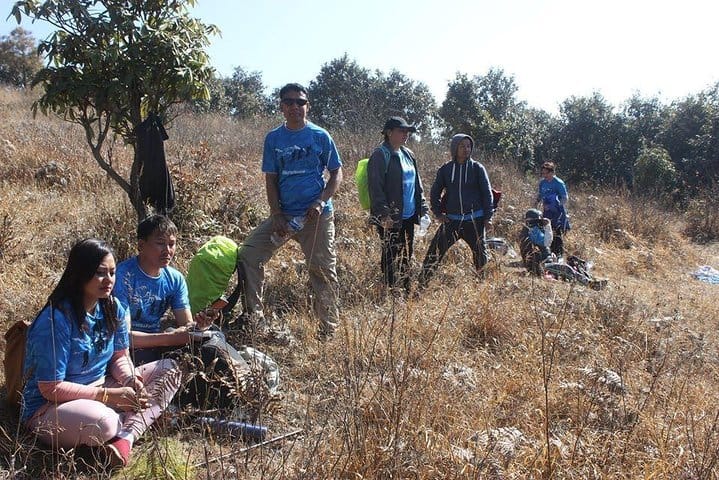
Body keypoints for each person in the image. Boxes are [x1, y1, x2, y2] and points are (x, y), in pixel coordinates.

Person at [21, 239, 181, 468]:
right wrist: (110, 396)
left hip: (101, 387)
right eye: (100, 273)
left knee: (170, 370)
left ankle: (125, 438)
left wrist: (129, 380)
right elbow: (50, 388)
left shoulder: (112, 307)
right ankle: (135, 421)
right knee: (104, 423)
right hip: (50, 407)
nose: (109, 280)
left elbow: (119, 356)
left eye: (113, 273)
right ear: (81, 274)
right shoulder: (56, 321)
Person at [236, 83, 342, 339]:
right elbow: (270, 179)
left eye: (300, 102)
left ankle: (328, 329)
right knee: (249, 255)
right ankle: (254, 321)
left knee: (322, 270)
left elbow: (336, 173)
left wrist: (320, 202)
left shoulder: (320, 136)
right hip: (284, 217)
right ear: (282, 107)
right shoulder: (274, 139)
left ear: (308, 106)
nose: (295, 106)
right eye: (290, 102)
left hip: (315, 217)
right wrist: (276, 214)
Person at [113, 215, 216, 365]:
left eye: (172, 244)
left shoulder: (175, 278)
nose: (167, 250)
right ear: (141, 245)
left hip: (157, 340)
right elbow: (124, 338)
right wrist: (171, 338)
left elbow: (185, 324)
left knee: (214, 338)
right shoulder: (122, 276)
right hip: (128, 349)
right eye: (160, 243)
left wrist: (199, 326)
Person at [419, 134, 493, 286]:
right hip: (452, 220)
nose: (466, 149)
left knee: (480, 255)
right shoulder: (446, 170)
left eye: (468, 146)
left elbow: (487, 194)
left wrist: (488, 217)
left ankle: (482, 288)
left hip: (474, 220)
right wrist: (438, 213)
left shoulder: (477, 168)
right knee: (434, 252)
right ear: (454, 148)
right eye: (462, 146)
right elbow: (435, 192)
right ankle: (421, 284)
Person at [368, 116, 429, 293]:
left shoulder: (408, 154)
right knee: (390, 253)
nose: (406, 134)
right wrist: (384, 213)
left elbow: (417, 183)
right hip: (390, 216)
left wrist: (423, 208)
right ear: (389, 133)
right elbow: (375, 187)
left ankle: (405, 288)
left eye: (407, 131)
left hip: (409, 214)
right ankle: (390, 290)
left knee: (407, 253)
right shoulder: (380, 155)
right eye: (402, 131)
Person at [536, 161, 569, 258]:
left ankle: (558, 256)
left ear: (552, 172)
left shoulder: (558, 183)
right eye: (543, 173)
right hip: (546, 212)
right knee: (546, 232)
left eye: (546, 173)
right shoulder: (542, 183)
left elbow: (564, 198)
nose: (544, 175)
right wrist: (536, 204)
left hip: (557, 213)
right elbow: (540, 195)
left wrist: (555, 206)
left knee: (556, 233)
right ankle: (547, 255)